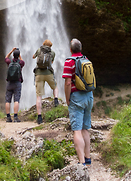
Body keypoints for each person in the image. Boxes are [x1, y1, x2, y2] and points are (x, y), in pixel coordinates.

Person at [62, 38, 94, 167]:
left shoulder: (69, 62)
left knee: (77, 130)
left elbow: (68, 82)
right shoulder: (87, 60)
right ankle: (88, 158)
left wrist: (67, 98)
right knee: (85, 129)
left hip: (77, 98)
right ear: (80, 49)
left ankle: (81, 162)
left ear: (70, 50)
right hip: (89, 96)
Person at [33, 39, 59, 124]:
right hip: (48, 73)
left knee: (39, 96)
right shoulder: (52, 52)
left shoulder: (39, 50)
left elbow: (33, 57)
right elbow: (51, 62)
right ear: (50, 45)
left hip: (39, 74)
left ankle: (39, 117)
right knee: (55, 87)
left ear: (43, 44)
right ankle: (56, 99)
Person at [5, 47, 25, 122]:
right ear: (19, 55)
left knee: (8, 100)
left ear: (13, 55)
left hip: (9, 83)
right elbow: (22, 60)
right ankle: (15, 117)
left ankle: (8, 117)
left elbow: (6, 57)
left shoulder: (9, 62)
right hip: (17, 83)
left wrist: (11, 51)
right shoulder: (21, 63)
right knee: (16, 100)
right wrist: (19, 55)